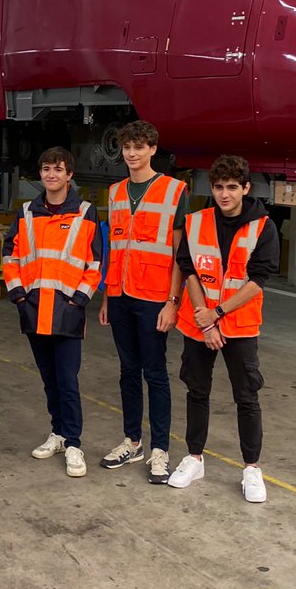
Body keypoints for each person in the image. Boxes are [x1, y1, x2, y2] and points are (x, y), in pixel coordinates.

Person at [168, 155, 279, 502]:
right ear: (211, 188)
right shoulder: (196, 222)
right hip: (200, 324)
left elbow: (257, 281)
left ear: (246, 188)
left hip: (239, 327)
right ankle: (194, 458)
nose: (225, 194)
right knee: (196, 392)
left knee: (246, 397)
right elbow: (189, 271)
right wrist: (204, 319)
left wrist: (216, 314)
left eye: (232, 187)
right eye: (218, 187)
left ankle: (251, 469)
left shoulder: (263, 226)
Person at [2, 147, 103, 478]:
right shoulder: (27, 211)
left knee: (67, 381)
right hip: (33, 310)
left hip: (67, 313)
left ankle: (74, 443)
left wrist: (79, 301)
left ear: (69, 174)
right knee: (49, 380)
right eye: (46, 169)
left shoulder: (85, 212)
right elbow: (11, 255)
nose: (51, 175)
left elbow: (95, 263)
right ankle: (58, 433)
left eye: (58, 169)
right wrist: (17, 295)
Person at [98, 121, 187, 485]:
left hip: (154, 300)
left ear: (153, 149)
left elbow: (181, 255)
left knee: (155, 374)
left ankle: (160, 449)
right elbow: (114, 249)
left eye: (139, 147)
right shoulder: (116, 191)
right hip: (120, 297)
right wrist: (107, 296)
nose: (132, 154)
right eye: (127, 147)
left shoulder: (173, 190)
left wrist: (173, 302)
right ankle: (132, 441)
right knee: (127, 371)